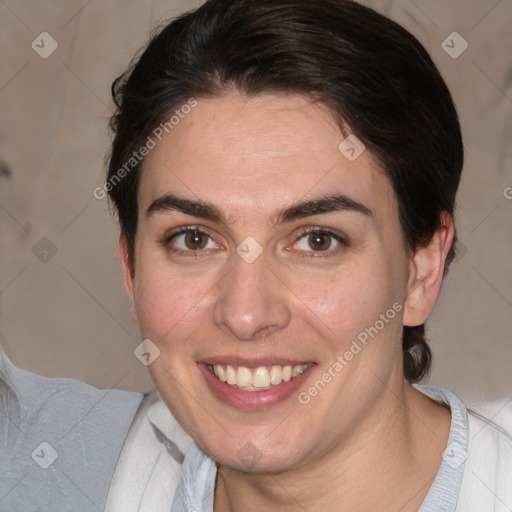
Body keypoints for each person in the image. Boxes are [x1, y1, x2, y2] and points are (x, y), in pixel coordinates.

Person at [1, 0, 511, 511]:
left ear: (422, 269)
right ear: (131, 270)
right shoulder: (43, 466)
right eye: (194, 240)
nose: (245, 314)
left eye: (317, 240)